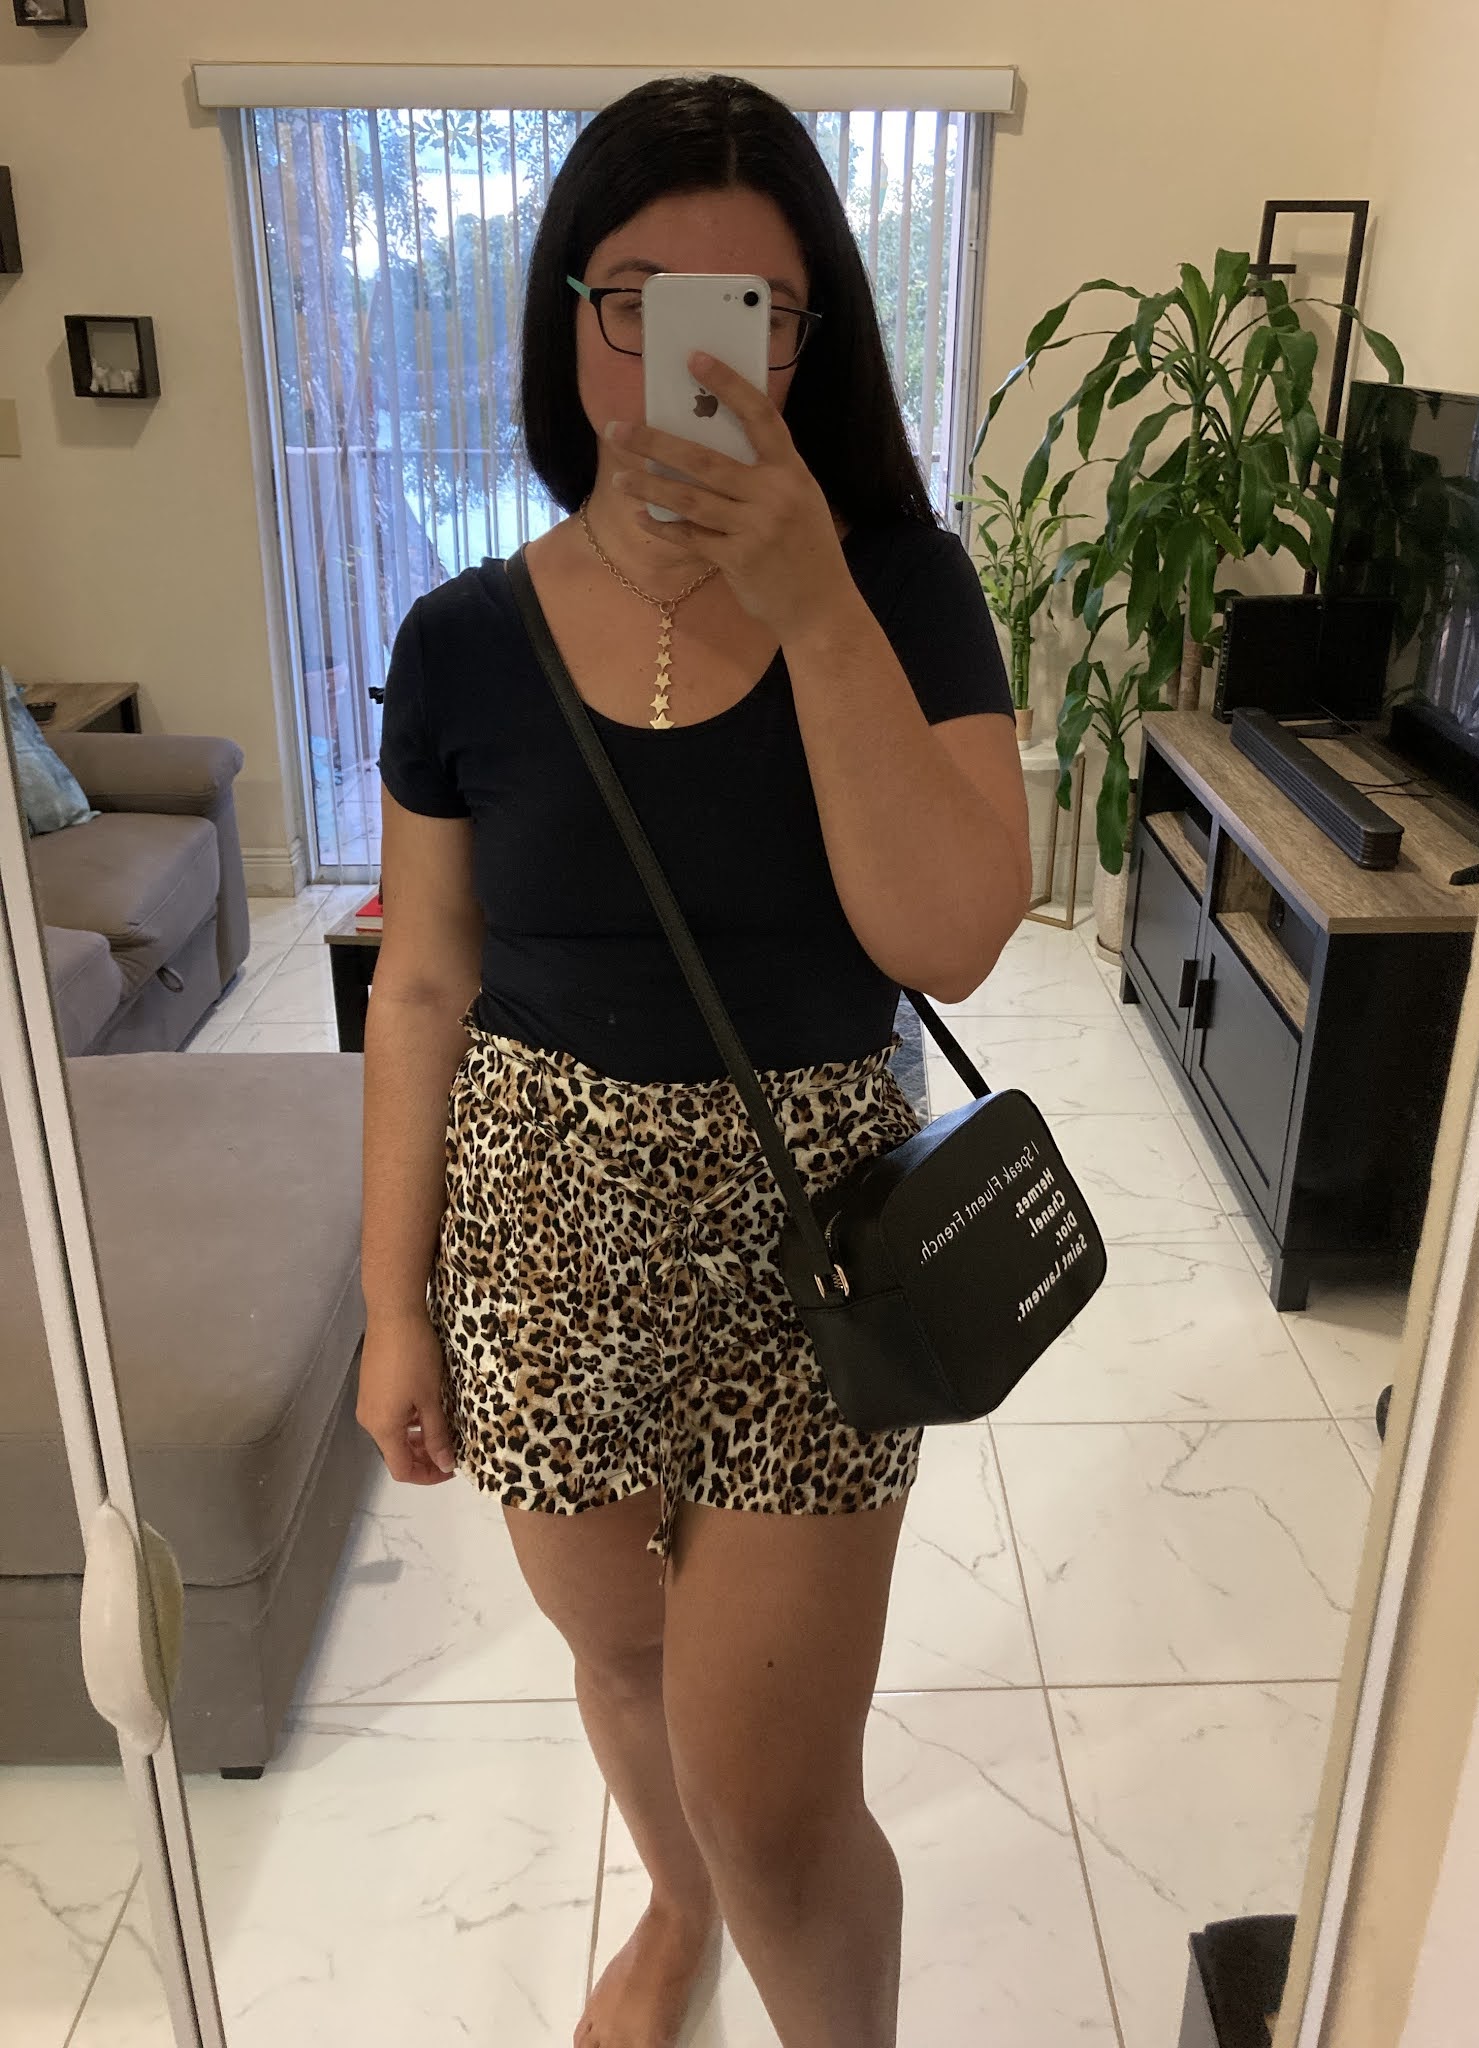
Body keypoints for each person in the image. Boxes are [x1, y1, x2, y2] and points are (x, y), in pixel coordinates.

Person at [357, 72, 1031, 2048]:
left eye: (754, 313)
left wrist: (813, 601)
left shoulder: (901, 590)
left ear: (813, 342)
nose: (691, 355)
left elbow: (949, 934)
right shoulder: (461, 639)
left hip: (822, 1251)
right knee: (629, 1665)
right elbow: (423, 984)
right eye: (637, 300)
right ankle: (671, 1905)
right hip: (541, 1237)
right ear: (569, 319)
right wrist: (391, 1306)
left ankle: (760, 1930)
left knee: (784, 1807)